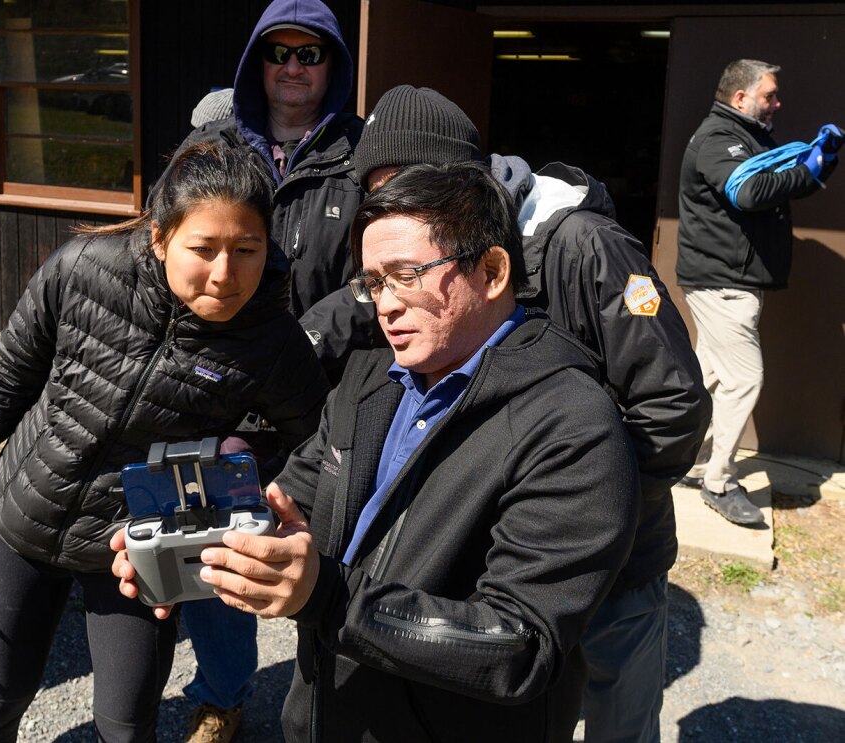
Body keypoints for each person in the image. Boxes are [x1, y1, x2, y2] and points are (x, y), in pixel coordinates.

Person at [115, 162, 641, 742]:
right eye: (374, 282)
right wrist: (203, 548)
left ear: (492, 271)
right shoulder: (370, 382)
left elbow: (521, 645)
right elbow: (295, 502)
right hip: (324, 716)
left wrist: (327, 597)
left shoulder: (572, 426)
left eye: (406, 275)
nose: (385, 305)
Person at [0, 142, 328, 743]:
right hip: (21, 514)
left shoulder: (270, 337)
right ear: (161, 238)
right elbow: (8, 375)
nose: (225, 274)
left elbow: (314, 444)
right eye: (203, 249)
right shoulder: (83, 265)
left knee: (125, 722)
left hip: (134, 548)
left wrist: (241, 467)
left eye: (247, 250)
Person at [351, 85, 710, 743]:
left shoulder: (587, 246)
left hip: (614, 561)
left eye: (410, 183)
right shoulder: (412, 275)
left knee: (618, 722)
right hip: (503, 561)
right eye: (379, 193)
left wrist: (589, 511)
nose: (397, 208)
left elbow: (674, 401)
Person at [159, 3, 369, 739]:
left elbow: (382, 273)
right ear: (257, 60)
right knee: (218, 544)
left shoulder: (362, 151)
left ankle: (331, 696)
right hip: (220, 388)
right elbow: (169, 243)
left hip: (328, 391)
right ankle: (221, 693)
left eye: (310, 54)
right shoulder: (208, 146)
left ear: (332, 67)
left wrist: (310, 332)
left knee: (336, 546)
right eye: (279, 51)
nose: (293, 65)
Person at [677, 59, 839, 526]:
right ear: (741, 97)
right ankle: (719, 480)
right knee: (744, 378)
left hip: (731, 278)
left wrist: (814, 169)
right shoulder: (716, 139)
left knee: (709, 374)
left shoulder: (745, 137)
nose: (777, 102)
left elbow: (768, 183)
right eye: (769, 94)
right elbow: (748, 192)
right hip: (722, 282)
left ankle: (684, 459)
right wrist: (806, 169)